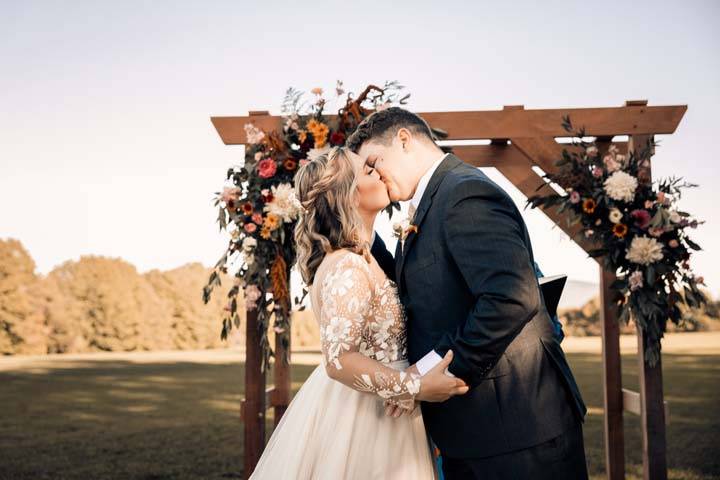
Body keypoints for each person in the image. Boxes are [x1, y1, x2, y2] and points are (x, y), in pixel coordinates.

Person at [347, 107, 589, 479]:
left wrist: (437, 374)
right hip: (476, 433)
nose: (374, 176)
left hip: (519, 431)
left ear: (404, 140)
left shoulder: (464, 193)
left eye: (374, 162)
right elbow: (410, 290)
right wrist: (357, 224)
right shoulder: (428, 203)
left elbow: (510, 297)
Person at [248, 146, 468, 479]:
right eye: (367, 171)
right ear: (347, 198)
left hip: (384, 407)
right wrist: (412, 388)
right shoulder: (347, 266)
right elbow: (339, 360)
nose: (379, 171)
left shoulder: (362, 258)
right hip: (365, 418)